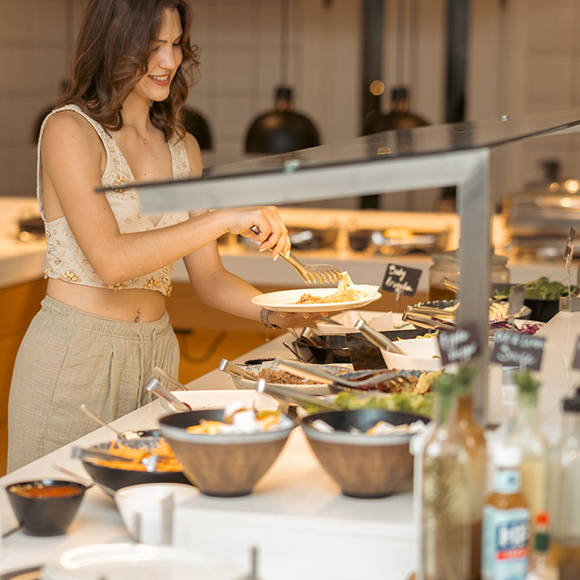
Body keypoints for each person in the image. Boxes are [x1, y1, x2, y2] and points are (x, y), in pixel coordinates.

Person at [7, 0, 318, 471]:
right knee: (54, 524)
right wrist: (221, 218)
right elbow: (110, 261)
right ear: (113, 45)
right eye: (153, 47)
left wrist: (288, 314)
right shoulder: (68, 130)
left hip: (155, 354)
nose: (170, 61)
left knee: (145, 507)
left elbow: (209, 279)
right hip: (73, 359)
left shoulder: (181, 146)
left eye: (174, 45)